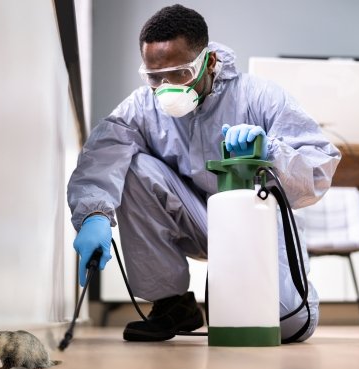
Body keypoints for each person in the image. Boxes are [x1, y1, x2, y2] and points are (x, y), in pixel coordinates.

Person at [67, 4, 341, 343]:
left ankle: (253, 289)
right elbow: (101, 157)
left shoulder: (259, 96)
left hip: (257, 226)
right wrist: (93, 213)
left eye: (179, 74)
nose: (165, 88)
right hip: (198, 219)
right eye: (155, 77)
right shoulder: (141, 108)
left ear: (208, 62)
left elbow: (319, 170)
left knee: (285, 324)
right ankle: (173, 305)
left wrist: (271, 150)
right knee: (133, 166)